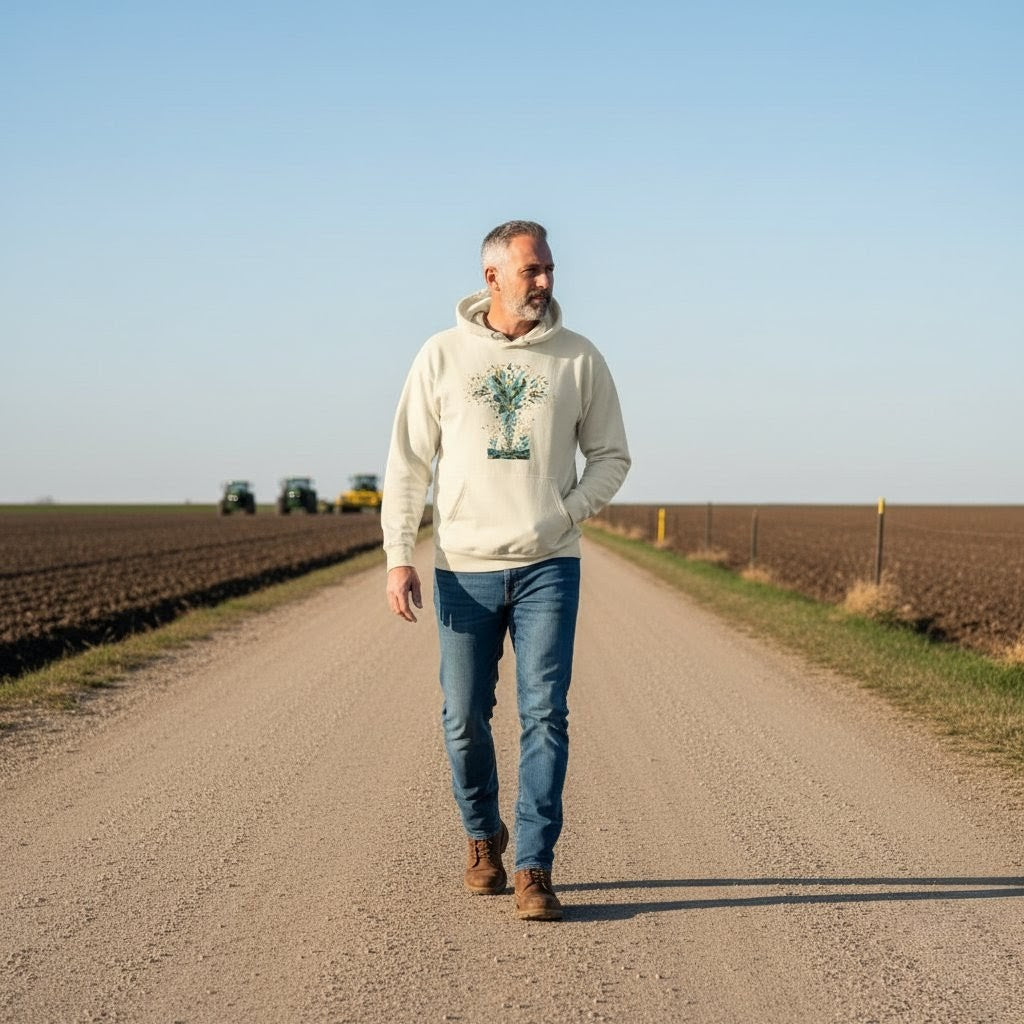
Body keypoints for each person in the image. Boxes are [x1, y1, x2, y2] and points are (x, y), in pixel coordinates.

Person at [382, 220, 630, 920]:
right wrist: (401, 554)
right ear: (492, 277)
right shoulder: (440, 356)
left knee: (545, 714)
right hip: (464, 567)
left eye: (550, 269)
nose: (547, 282)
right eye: (533, 271)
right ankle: (481, 837)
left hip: (550, 564)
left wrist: (567, 513)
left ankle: (533, 867)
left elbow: (612, 455)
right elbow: (408, 464)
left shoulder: (579, 358)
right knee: (463, 718)